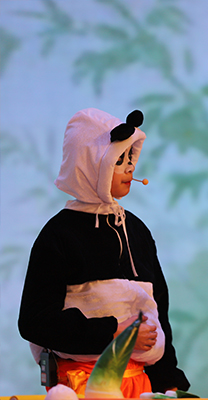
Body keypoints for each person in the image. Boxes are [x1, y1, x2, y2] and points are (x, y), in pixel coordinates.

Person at [18, 108, 190, 397]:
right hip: (81, 387)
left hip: (141, 387)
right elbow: (35, 321)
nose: (130, 168)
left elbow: (158, 311)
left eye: (130, 158)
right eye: (118, 160)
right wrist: (114, 333)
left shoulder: (137, 230)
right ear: (90, 163)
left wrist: (167, 382)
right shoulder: (58, 234)